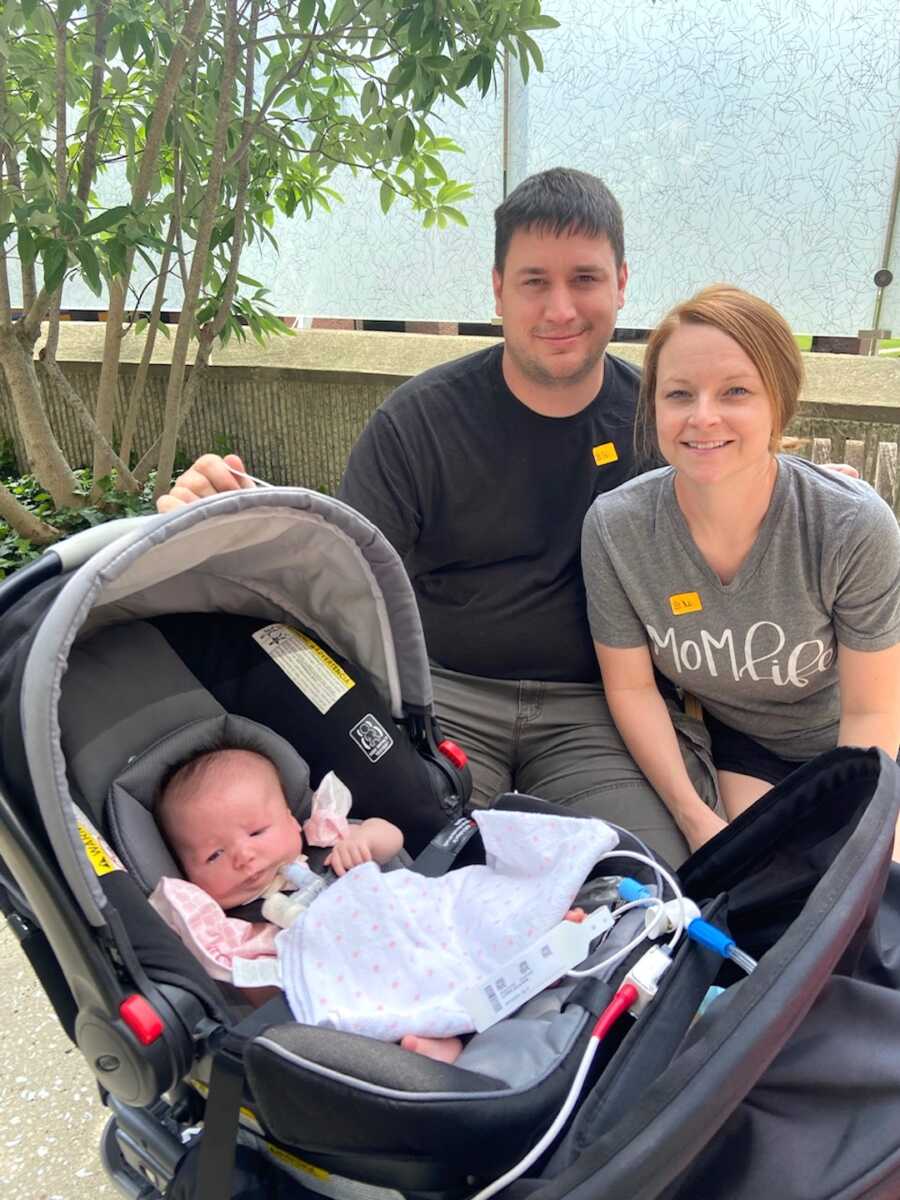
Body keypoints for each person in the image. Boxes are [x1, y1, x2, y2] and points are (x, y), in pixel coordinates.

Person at [157, 167, 722, 864]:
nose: (560, 309)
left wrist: (802, 490)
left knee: (648, 876)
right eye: (534, 281)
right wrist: (228, 515)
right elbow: (339, 573)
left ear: (622, 283)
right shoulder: (418, 422)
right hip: (441, 696)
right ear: (497, 290)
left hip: (599, 707)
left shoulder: (659, 421)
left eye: (584, 279)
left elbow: (740, 525)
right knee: (391, 870)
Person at [581, 284, 900, 842]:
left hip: (867, 745)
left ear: (779, 402)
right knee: (760, 891)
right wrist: (693, 815)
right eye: (679, 394)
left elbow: (872, 710)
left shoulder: (850, 528)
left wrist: (849, 829)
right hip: (746, 751)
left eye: (735, 391)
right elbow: (631, 690)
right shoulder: (617, 529)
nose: (703, 417)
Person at [152, 744, 596, 1061]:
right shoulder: (244, 930)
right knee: (357, 1013)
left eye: (255, 833)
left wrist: (366, 840)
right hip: (366, 974)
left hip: (420, 921)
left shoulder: (328, 840)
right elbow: (262, 986)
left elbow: (392, 837)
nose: (243, 856)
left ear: (291, 820)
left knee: (473, 905)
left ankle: (532, 929)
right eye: (213, 855)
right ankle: (446, 1036)